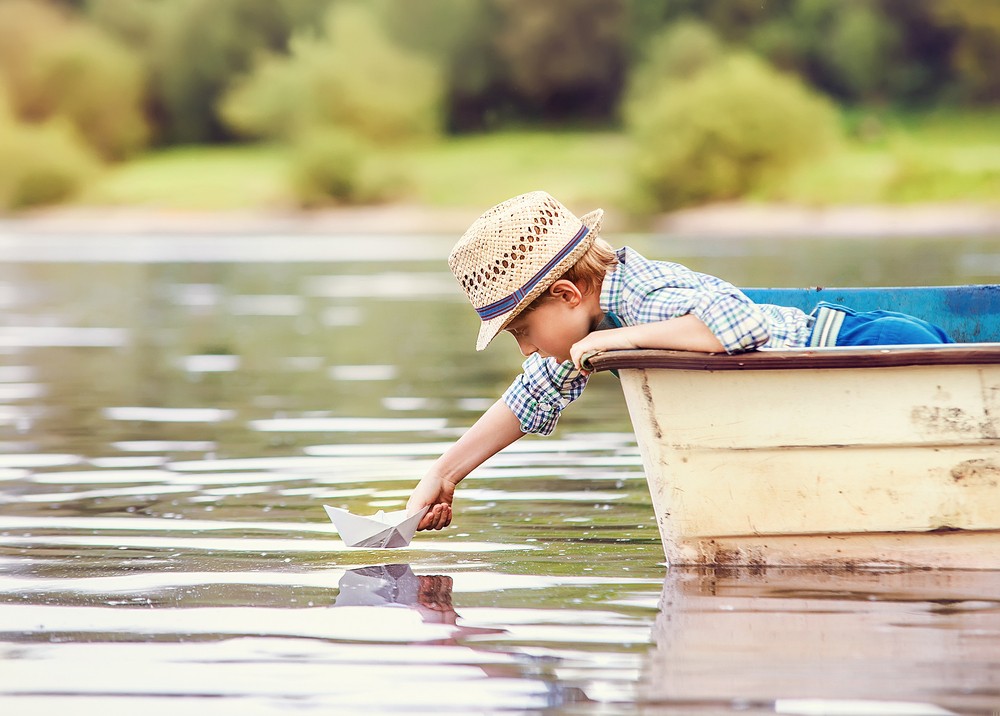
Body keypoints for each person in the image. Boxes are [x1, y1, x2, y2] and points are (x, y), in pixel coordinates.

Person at [405, 191, 953, 531]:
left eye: (522, 330)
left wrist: (613, 345)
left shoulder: (644, 293)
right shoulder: (590, 323)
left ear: (569, 295)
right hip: (827, 396)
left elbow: (745, 326)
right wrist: (443, 473)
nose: (525, 348)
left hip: (865, 345)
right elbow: (529, 398)